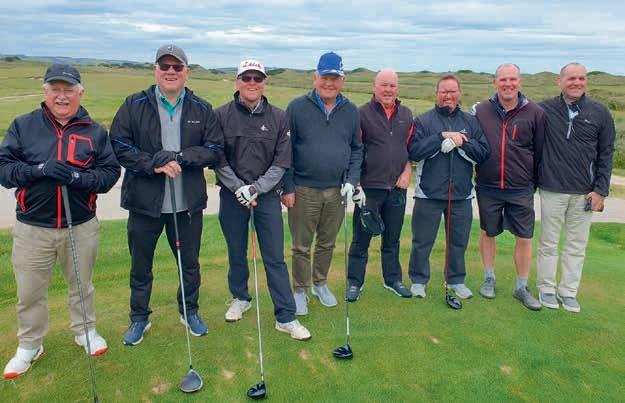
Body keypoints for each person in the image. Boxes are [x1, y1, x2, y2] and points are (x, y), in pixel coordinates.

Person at [0, 64, 120, 378]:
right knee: (29, 292)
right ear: (45, 91)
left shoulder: (94, 132)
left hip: (80, 225)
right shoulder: (24, 125)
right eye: (55, 89)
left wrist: (77, 177)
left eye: (68, 90)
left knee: (81, 285)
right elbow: (4, 170)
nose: (62, 96)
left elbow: (109, 175)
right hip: (33, 227)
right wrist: (38, 171)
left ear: (81, 93)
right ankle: (30, 344)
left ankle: (85, 331)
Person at [110, 45, 225, 345]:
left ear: (186, 71)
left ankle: (189, 311)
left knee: (189, 264)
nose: (171, 72)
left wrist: (180, 157)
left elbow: (214, 149)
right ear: (156, 70)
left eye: (177, 67)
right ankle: (139, 317)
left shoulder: (202, 108)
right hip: (144, 204)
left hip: (187, 205)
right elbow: (119, 144)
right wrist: (153, 163)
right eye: (165, 66)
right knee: (141, 265)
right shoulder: (134, 104)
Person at [214, 59, 311, 340]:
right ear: (238, 82)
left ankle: (285, 316)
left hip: (266, 198)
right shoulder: (221, 115)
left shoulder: (278, 117)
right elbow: (218, 158)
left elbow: (281, 163)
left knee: (274, 257)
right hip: (232, 197)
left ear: (264, 83)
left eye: (257, 78)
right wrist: (239, 188)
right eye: (247, 78)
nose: (252, 83)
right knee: (236, 251)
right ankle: (240, 298)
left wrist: (255, 189)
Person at [281, 52, 363, 315]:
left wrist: (351, 180)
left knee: (327, 243)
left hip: (337, 190)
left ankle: (320, 283)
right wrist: (288, 187)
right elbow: (285, 149)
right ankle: (300, 289)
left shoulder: (350, 110)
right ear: (315, 78)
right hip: (303, 189)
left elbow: (357, 149)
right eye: (325, 77)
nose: (329, 83)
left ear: (342, 80)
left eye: (335, 78)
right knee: (301, 246)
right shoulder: (296, 107)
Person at [536, 62, 616, 313]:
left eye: (581, 78)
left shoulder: (600, 113)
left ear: (586, 81)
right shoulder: (544, 110)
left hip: (585, 192)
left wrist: (601, 190)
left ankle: (568, 292)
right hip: (552, 188)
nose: (576, 82)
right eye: (571, 78)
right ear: (559, 81)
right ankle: (546, 289)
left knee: (576, 245)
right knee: (548, 243)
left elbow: (606, 154)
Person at [408, 75, 489, 300]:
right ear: (436, 94)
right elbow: (414, 151)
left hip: (461, 194)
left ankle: (456, 281)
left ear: (459, 93)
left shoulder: (471, 122)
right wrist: (440, 137)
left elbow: (483, 152)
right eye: (444, 91)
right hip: (428, 193)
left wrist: (464, 142)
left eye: (452, 91)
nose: (448, 96)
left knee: (458, 242)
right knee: (422, 241)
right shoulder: (424, 121)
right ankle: (418, 281)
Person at [473, 64, 545, 310]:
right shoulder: (481, 110)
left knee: (524, 237)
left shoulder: (535, 112)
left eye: (512, 79)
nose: (508, 84)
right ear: (495, 82)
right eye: (503, 79)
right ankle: (489, 278)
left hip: (521, 187)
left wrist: (533, 182)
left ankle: (521, 287)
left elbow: (540, 151)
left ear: (519, 82)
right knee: (488, 232)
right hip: (488, 184)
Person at [346, 68, 413, 301]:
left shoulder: (407, 114)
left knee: (392, 239)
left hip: (397, 188)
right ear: (374, 87)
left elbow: (408, 149)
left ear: (397, 88)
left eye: (392, 85)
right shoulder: (361, 114)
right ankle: (355, 282)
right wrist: (355, 183)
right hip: (369, 189)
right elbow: (354, 150)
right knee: (361, 239)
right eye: (384, 85)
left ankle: (393, 280)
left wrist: (408, 170)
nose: (388, 90)